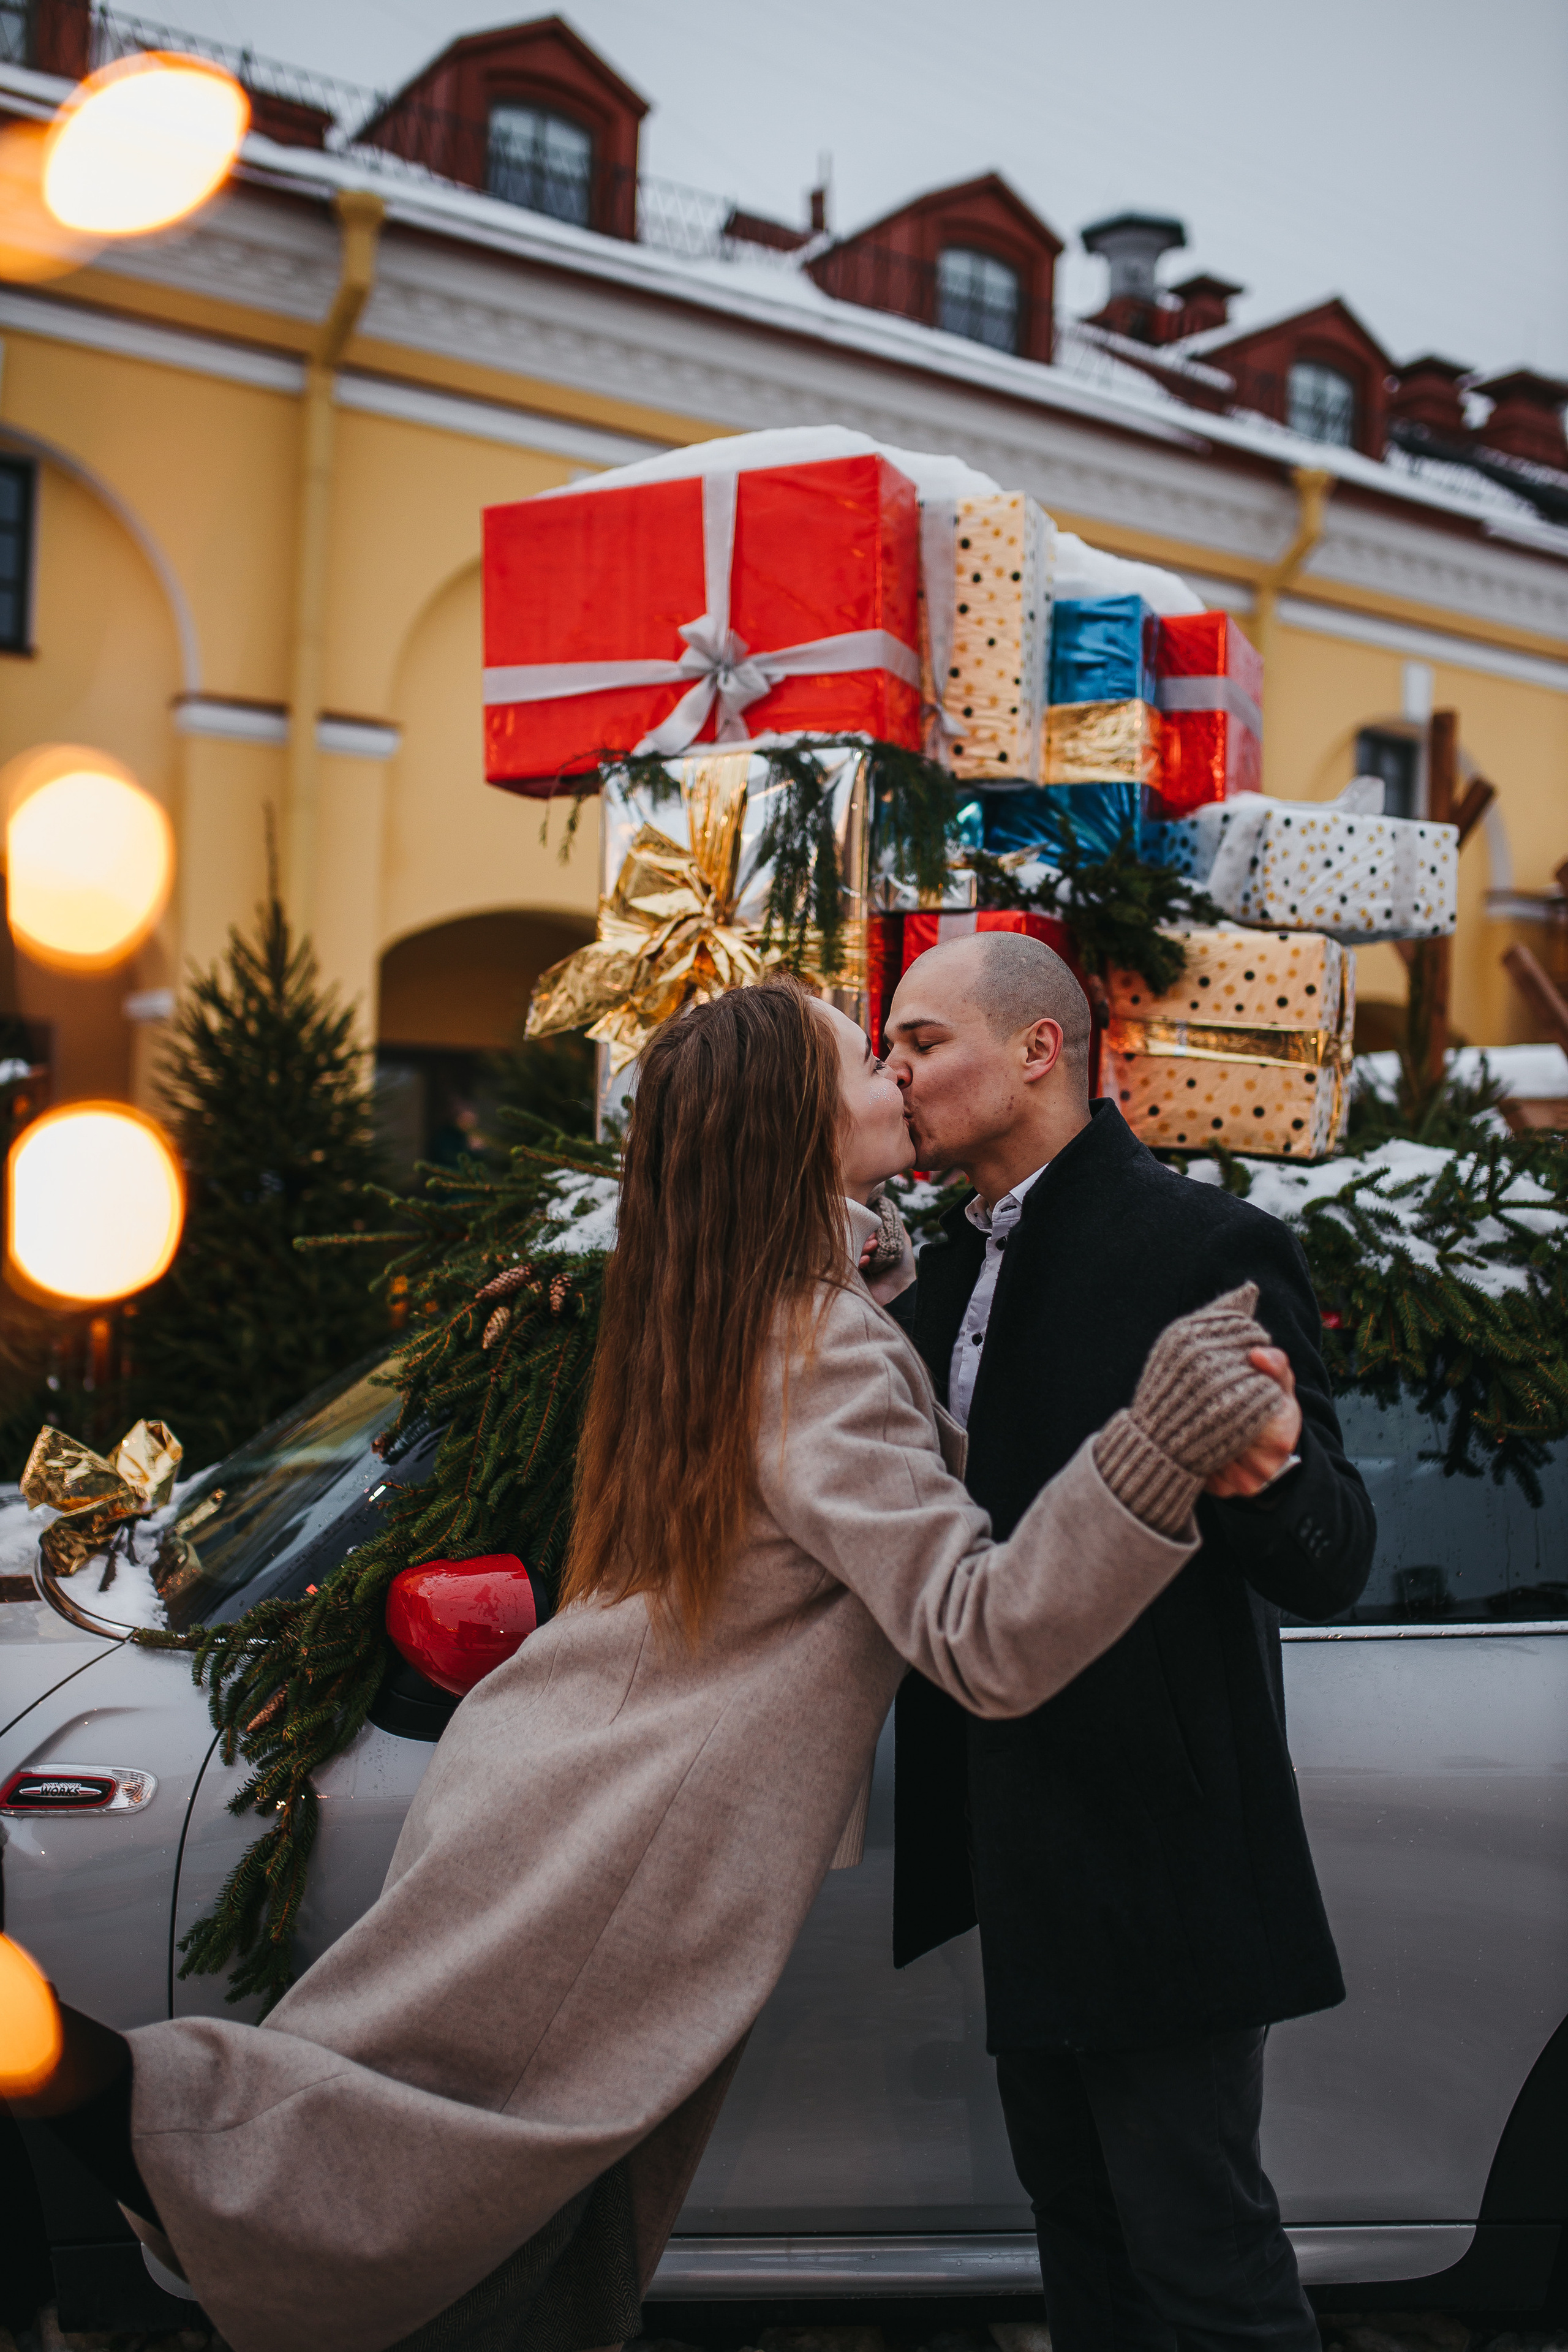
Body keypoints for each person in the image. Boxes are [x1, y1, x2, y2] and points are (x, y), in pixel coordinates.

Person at [1, 978, 1300, 2352]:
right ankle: (77, 2076)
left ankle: (90, 2087)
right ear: (797, 1128)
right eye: (865, 1060)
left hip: (569, 1775)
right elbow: (975, 1633)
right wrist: (1149, 1454)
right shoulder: (817, 1349)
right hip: (628, 1831)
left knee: (503, 2201)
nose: (895, 1078)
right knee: (421, 2175)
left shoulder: (734, 1306)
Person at [880, 930, 1377, 2352]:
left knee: (1200, 2263)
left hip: (1160, 1856)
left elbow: (1331, 1549)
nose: (895, 1074)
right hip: (1016, 1848)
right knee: (1082, 2252)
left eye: (922, 1043)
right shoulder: (932, 1267)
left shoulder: (1199, 1245)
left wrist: (1270, 1474)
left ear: (1039, 1049)